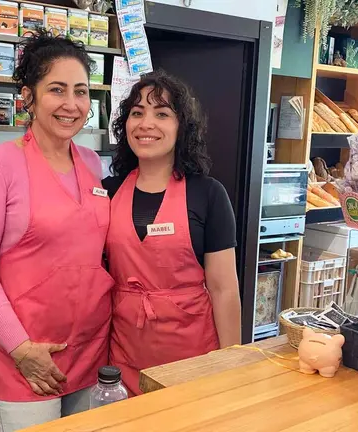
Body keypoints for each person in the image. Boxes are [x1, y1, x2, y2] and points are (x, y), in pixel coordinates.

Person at [0, 31, 113, 431]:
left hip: (90, 349)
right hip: (26, 357)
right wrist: (21, 349)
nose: (71, 104)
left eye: (80, 92)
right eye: (56, 90)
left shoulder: (94, 163)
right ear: (28, 96)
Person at [103, 71, 242, 396]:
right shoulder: (107, 191)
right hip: (124, 359)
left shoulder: (208, 195)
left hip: (193, 362)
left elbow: (223, 289)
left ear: (182, 127)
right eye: (137, 113)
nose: (146, 123)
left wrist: (232, 364)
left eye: (161, 113)